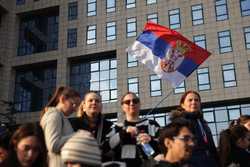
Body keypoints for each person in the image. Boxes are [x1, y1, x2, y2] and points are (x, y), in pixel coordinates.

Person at [108, 92, 160, 166]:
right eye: (127, 102)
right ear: (122, 107)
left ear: (139, 104)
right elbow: (106, 149)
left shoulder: (151, 124)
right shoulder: (116, 128)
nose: (132, 103)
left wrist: (151, 139)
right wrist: (122, 134)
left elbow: (165, 144)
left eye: (135, 101)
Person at [170, 90, 219, 167]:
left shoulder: (203, 123)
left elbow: (211, 146)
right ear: (182, 105)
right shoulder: (179, 123)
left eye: (196, 100)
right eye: (190, 100)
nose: (194, 102)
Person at [40, 86, 81, 167]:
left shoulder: (60, 116)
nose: (75, 109)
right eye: (73, 104)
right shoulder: (54, 115)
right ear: (62, 99)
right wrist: (77, 136)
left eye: (77, 106)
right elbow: (53, 145)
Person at [70, 91, 113, 162]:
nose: (94, 103)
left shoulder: (109, 126)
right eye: (90, 100)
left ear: (101, 107)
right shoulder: (72, 124)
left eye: (97, 101)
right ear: (84, 106)